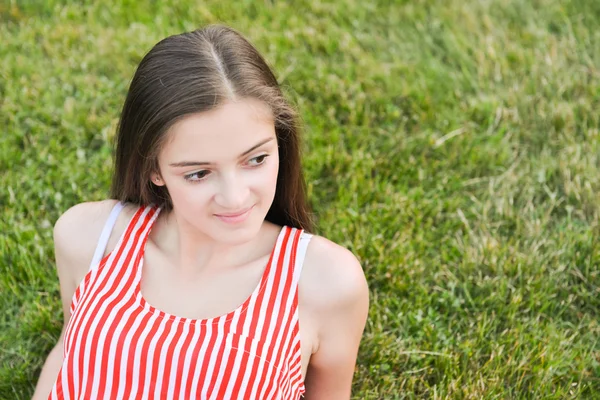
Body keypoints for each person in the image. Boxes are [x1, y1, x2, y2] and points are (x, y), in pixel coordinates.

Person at [33, 24, 369, 400]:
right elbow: (69, 352)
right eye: (198, 173)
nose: (235, 197)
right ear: (153, 169)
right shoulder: (88, 238)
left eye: (256, 159)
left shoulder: (326, 283)